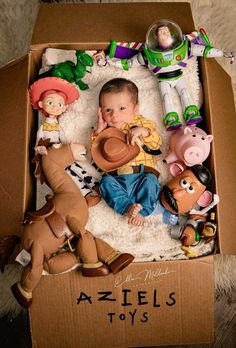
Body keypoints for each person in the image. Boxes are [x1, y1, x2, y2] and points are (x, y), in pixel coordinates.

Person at [91, 78, 162, 226]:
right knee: (105, 183)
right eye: (108, 110)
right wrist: (98, 132)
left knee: (151, 182)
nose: (114, 115)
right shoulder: (105, 131)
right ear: (100, 111)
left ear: (135, 109)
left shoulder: (142, 124)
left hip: (143, 174)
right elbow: (95, 155)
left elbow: (156, 144)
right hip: (116, 178)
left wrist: (144, 132)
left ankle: (141, 213)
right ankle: (127, 207)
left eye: (122, 108)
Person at [29, 76, 100, 206]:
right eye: (50, 102)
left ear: (64, 107)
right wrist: (40, 150)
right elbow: (38, 142)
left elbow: (64, 137)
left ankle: (96, 186)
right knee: (69, 177)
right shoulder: (43, 127)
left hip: (62, 152)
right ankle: (87, 196)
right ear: (41, 104)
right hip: (52, 157)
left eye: (60, 104)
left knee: (78, 169)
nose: (55, 107)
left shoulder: (59, 124)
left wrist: (68, 148)